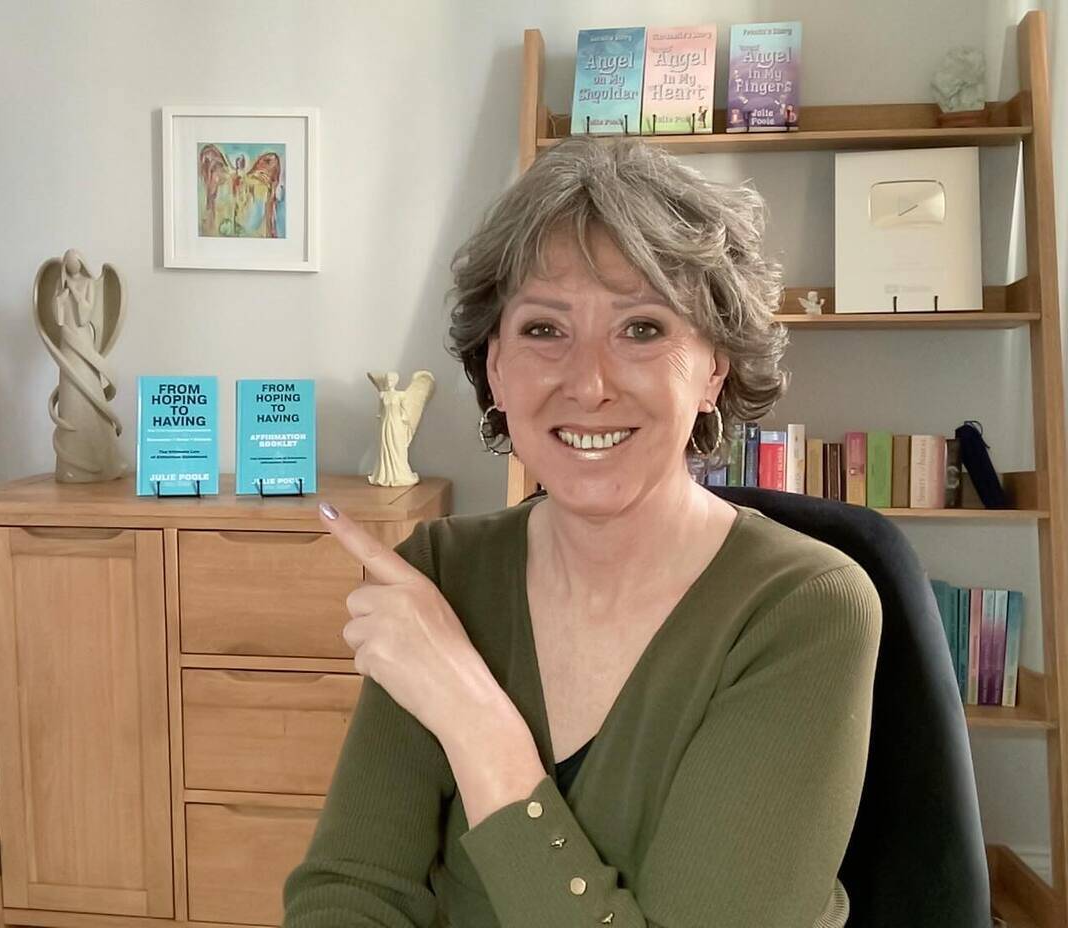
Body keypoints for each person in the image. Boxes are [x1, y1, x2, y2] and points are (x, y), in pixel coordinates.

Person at [282, 137, 882, 927]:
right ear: (494, 369)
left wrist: (475, 721)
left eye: (641, 329)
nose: (588, 383)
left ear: (714, 369)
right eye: (543, 330)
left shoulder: (806, 610)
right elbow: (351, 894)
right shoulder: (437, 573)